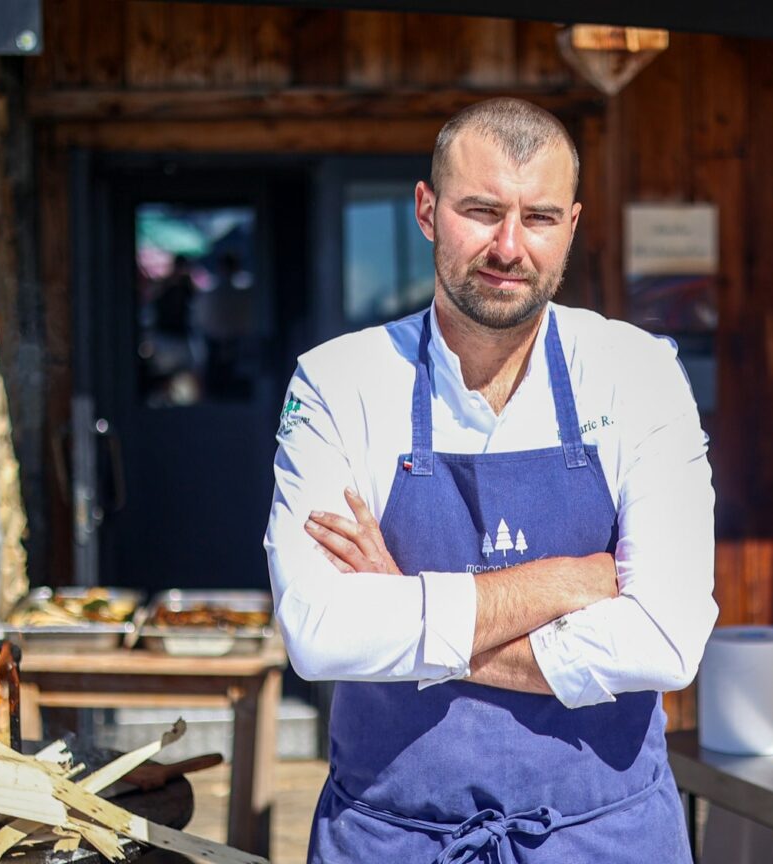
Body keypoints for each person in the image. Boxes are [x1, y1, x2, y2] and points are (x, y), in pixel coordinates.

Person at [264, 97, 717, 863]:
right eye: (481, 210)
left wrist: (409, 610)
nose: (509, 246)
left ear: (572, 224)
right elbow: (318, 632)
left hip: (605, 839)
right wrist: (564, 581)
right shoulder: (339, 382)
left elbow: (667, 643)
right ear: (427, 210)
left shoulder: (638, 373)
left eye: (539, 218)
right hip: (393, 838)